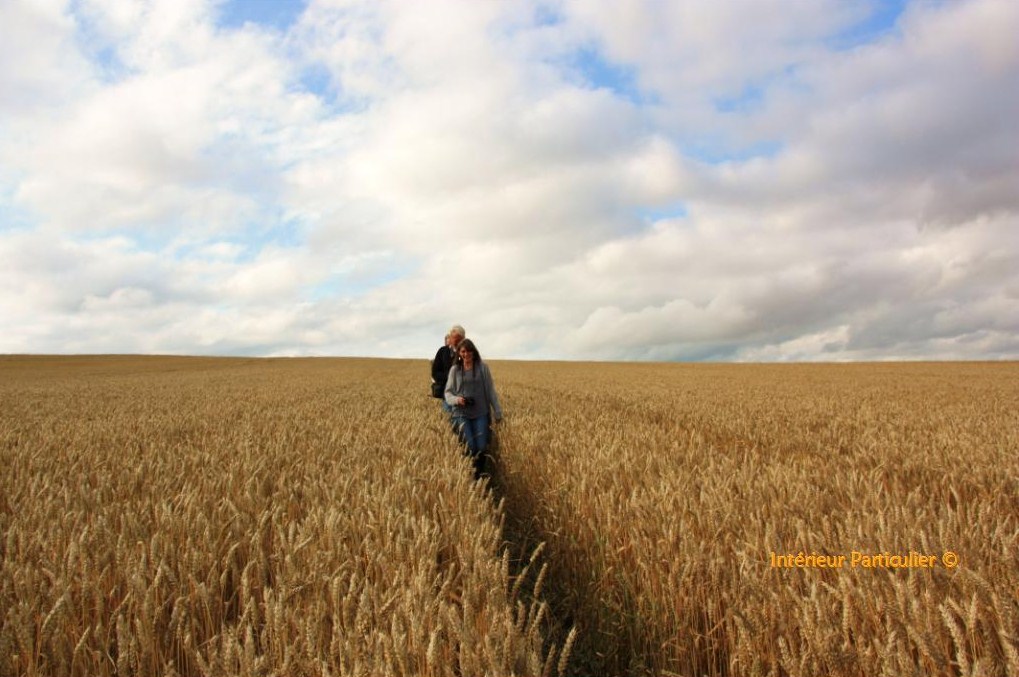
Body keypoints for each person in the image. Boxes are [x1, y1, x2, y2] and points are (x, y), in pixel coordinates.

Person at [444, 338, 503, 479]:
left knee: (482, 447)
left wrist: (498, 411)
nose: (466, 354)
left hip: (480, 412)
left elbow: (490, 391)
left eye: (469, 351)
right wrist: (457, 400)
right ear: (459, 353)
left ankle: (480, 474)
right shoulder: (455, 370)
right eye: (463, 351)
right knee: (470, 446)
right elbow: (448, 393)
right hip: (461, 413)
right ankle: (473, 476)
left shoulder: (483, 368)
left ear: (474, 352)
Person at [432, 325, 465, 412]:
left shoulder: (467, 353)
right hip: (447, 394)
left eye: (459, 339)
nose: (456, 341)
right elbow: (435, 373)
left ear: (463, 339)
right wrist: (449, 378)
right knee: (448, 418)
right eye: (454, 338)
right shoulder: (442, 352)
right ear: (450, 338)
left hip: (463, 395)